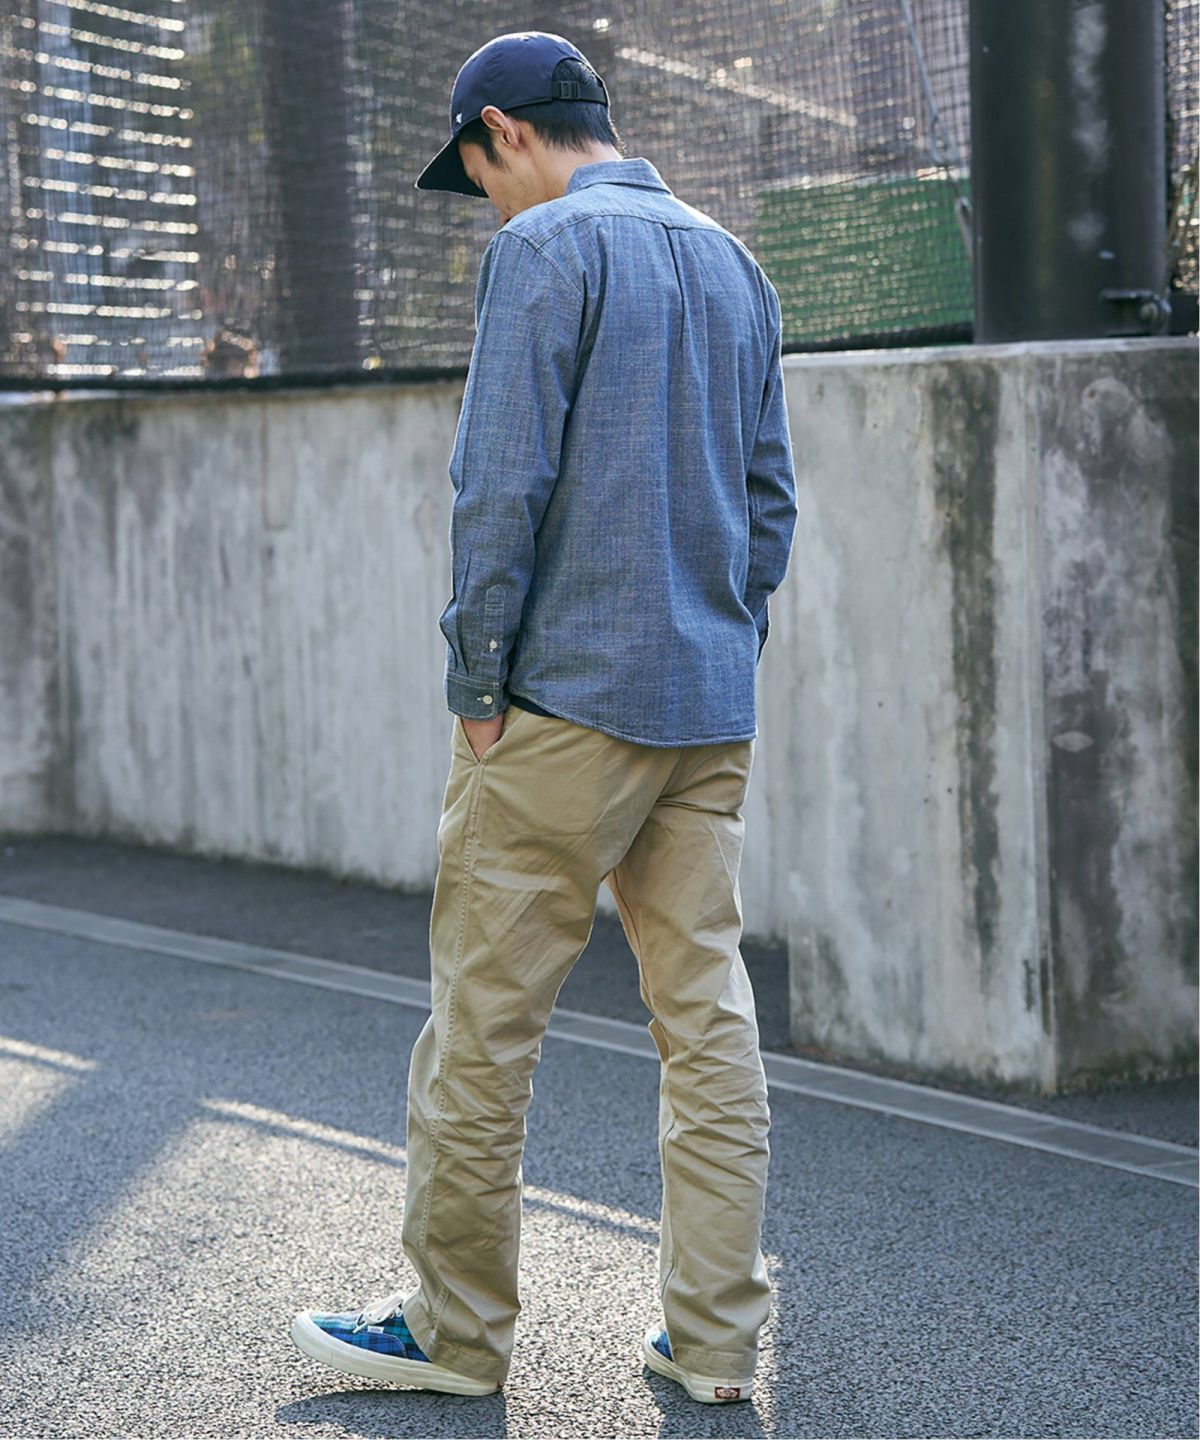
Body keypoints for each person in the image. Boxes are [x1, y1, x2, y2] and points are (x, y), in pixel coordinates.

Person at [291, 30, 797, 1406]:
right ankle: (715, 1343)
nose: (486, 200)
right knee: (708, 1022)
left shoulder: (544, 251)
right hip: (706, 710)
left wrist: (478, 690)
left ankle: (455, 1337)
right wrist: (724, 640)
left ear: (504, 131)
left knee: (483, 1027)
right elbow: (769, 503)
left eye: (477, 171)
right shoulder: (735, 263)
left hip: (560, 708)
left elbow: (497, 487)